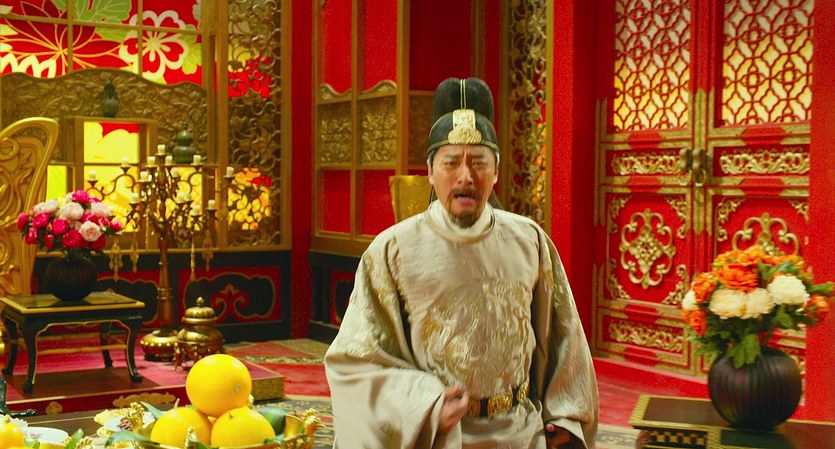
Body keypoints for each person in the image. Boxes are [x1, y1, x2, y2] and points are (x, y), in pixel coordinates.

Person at [324, 77, 599, 449]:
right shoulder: (393, 250)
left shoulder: (529, 241)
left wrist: (566, 415)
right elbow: (356, 361)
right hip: (439, 437)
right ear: (430, 170)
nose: (465, 177)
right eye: (451, 163)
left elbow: (566, 338)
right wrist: (425, 406)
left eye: (479, 163)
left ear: (496, 171)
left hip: (521, 433)